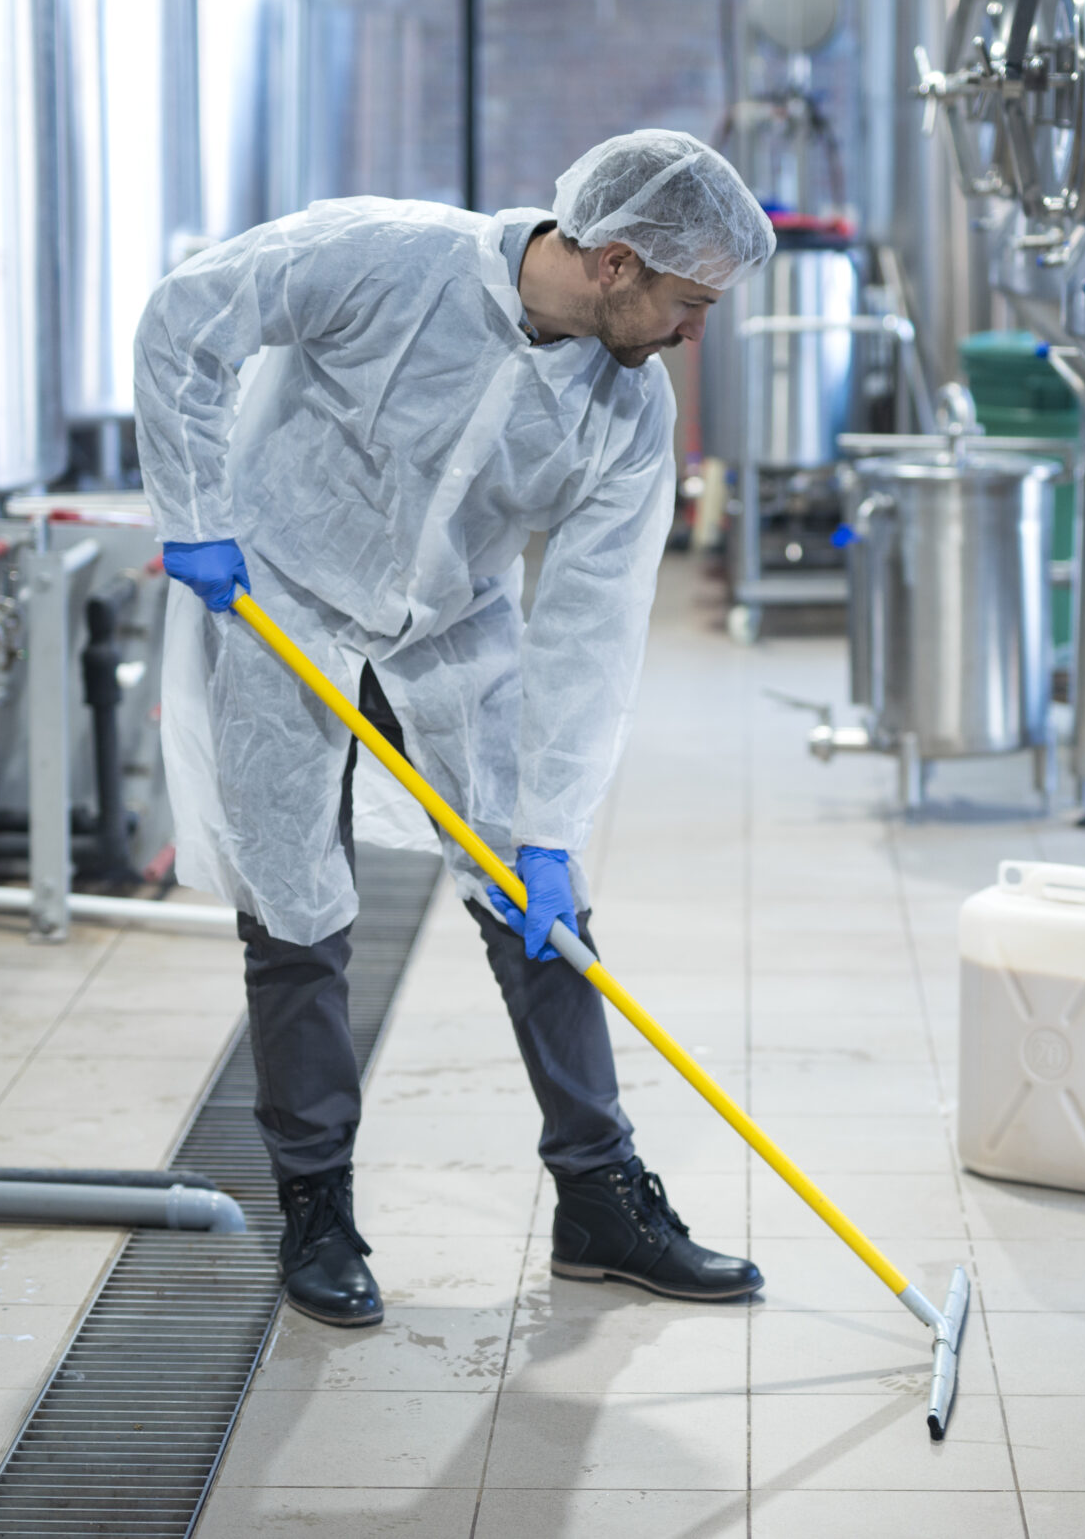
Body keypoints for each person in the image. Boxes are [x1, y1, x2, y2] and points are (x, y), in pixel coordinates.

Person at [135, 131, 776, 1328]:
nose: (696, 334)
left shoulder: (628, 410)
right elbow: (188, 320)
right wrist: (195, 513)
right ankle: (314, 1202)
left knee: (543, 911)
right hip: (283, 595)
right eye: (690, 304)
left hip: (448, 630)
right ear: (618, 261)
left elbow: (592, 627)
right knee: (293, 911)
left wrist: (552, 826)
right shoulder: (380, 256)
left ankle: (599, 1199)